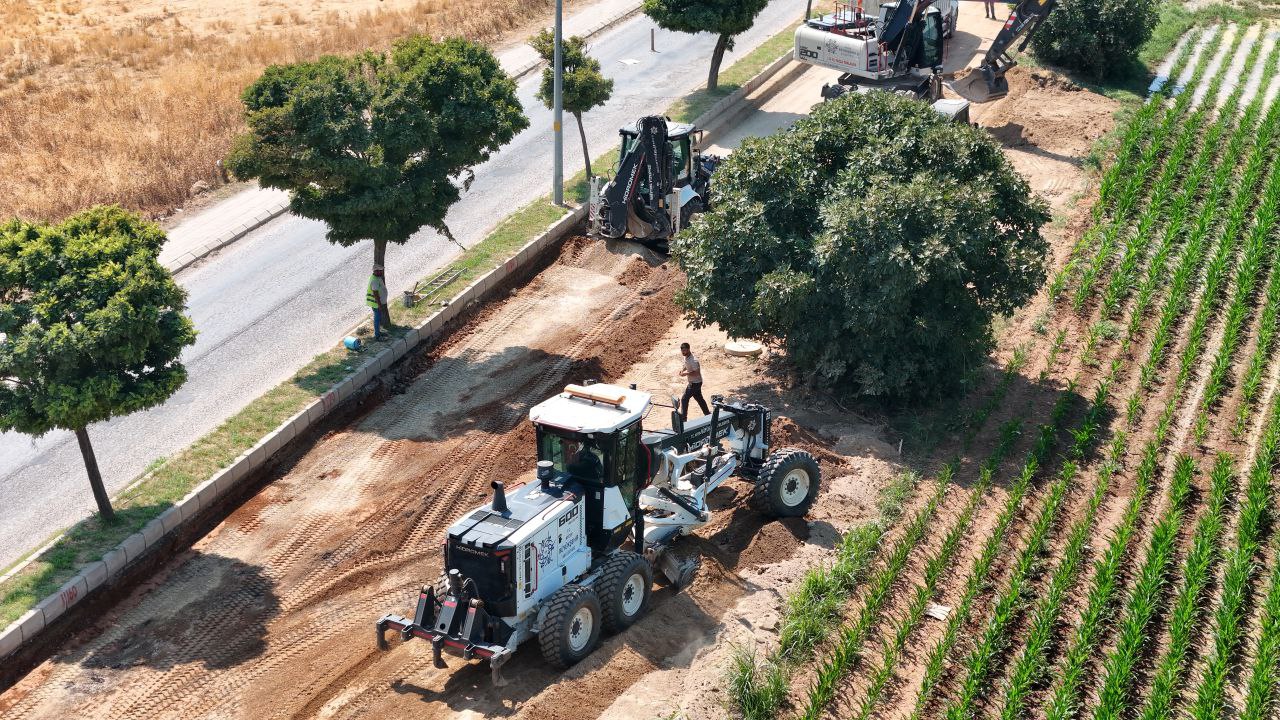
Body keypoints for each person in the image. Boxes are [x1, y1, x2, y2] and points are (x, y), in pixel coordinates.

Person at [678, 342, 710, 420]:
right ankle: (708, 414)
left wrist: (685, 374)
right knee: (699, 399)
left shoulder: (694, 360)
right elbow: (686, 365)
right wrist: (682, 370)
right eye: (682, 351)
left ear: (688, 349)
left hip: (695, 383)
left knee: (684, 399)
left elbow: (696, 372)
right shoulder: (686, 357)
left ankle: (683, 419)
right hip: (695, 382)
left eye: (684, 350)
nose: (683, 352)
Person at [366, 265, 390, 341]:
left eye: (381, 270)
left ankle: (379, 332)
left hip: (377, 303)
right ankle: (377, 336)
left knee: (378, 318)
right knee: (377, 319)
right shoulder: (374, 281)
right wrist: (379, 305)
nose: (381, 272)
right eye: (380, 271)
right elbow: (375, 294)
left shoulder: (376, 277)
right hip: (376, 304)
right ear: (375, 271)